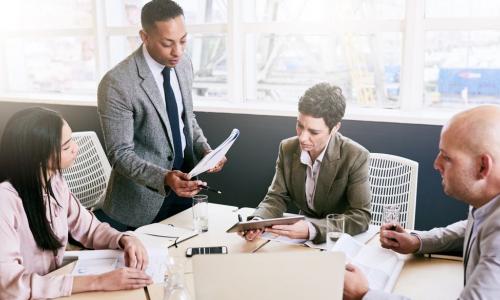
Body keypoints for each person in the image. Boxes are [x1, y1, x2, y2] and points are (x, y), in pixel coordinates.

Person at [343, 105, 500, 300]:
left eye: (447, 156)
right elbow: (470, 228)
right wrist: (417, 241)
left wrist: (365, 294)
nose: (436, 164)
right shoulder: (488, 205)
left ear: (483, 166)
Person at [97, 0, 226, 230]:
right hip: (138, 204)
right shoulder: (117, 83)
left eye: (183, 40)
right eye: (168, 43)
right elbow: (119, 154)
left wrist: (206, 151)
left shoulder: (184, 64)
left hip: (185, 192)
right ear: (144, 37)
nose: (178, 51)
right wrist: (164, 177)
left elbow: (186, 118)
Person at [0, 107, 152, 299]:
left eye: (71, 139)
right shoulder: (5, 201)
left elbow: (89, 229)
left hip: (53, 289)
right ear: (36, 156)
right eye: (65, 146)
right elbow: (8, 285)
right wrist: (99, 282)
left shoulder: (54, 181)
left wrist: (124, 239)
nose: (75, 148)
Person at [243, 83, 371, 244]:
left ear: (335, 128)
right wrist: (257, 221)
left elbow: (361, 216)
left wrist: (312, 229)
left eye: (314, 132)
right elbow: (276, 197)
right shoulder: (287, 148)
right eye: (300, 125)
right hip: (301, 242)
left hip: (340, 241)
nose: (302, 138)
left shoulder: (355, 155)